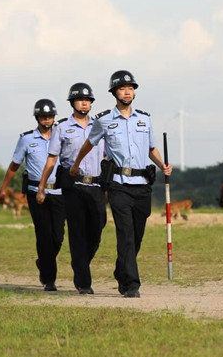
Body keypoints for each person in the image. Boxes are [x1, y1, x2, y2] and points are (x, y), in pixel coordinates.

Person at [69, 70, 172, 298]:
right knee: (125, 233)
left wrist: (163, 164)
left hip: (142, 184)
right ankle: (131, 285)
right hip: (118, 185)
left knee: (136, 236)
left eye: (131, 88)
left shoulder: (144, 119)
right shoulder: (104, 120)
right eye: (123, 88)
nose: (128, 92)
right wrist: (76, 164)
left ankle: (121, 270)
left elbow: (151, 148)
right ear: (114, 92)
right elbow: (89, 144)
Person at [37, 82, 106, 295]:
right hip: (72, 185)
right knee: (77, 231)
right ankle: (83, 282)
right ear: (72, 103)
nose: (84, 103)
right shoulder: (62, 128)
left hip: (95, 184)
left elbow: (109, 154)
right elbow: (52, 159)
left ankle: (80, 262)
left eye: (87, 100)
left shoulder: (101, 125)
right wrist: (41, 187)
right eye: (80, 100)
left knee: (97, 228)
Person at [0, 99, 64, 292]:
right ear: (37, 118)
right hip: (36, 193)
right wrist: (4, 186)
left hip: (59, 192)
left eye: (50, 116)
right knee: (43, 235)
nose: (47, 120)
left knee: (58, 237)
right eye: (43, 116)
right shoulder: (26, 139)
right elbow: (15, 164)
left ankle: (43, 262)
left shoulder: (61, 136)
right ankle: (49, 278)